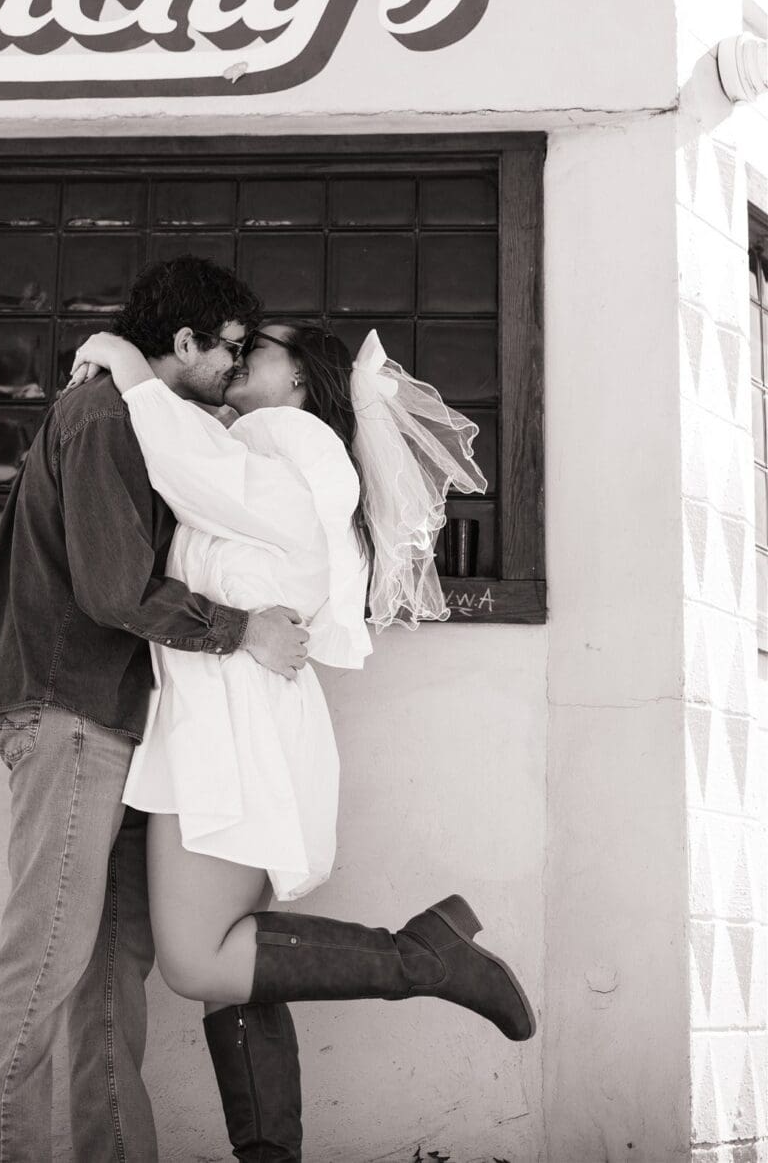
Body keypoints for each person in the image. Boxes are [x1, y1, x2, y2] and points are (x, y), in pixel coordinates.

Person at [67, 316, 535, 1162]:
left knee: (199, 961)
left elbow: (191, 471)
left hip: (234, 729)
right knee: (236, 969)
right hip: (235, 718)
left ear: (298, 381)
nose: (241, 356)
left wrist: (128, 362)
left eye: (260, 348)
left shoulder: (296, 444)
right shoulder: (271, 447)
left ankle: (421, 958)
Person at [0, 256, 311, 1163]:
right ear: (184, 341)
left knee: (110, 973)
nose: (234, 368)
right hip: (69, 713)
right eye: (229, 350)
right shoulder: (105, 417)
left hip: (117, 724)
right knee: (45, 961)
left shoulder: (143, 417)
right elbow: (114, 590)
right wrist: (243, 630)